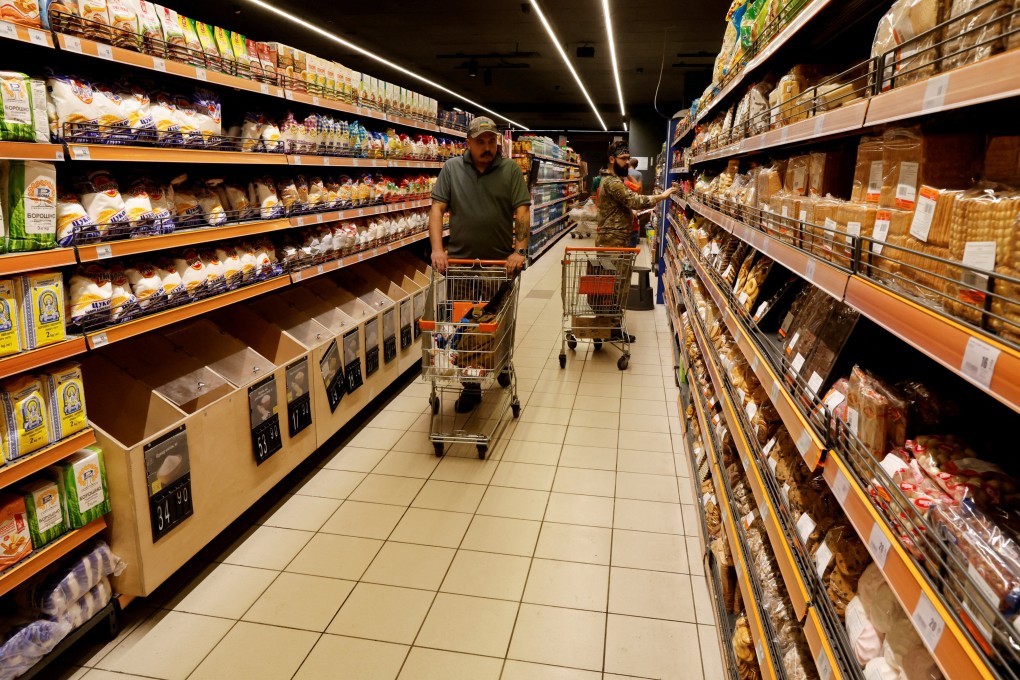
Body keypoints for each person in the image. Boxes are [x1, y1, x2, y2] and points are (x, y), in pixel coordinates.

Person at [429, 116, 532, 412]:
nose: (487, 147)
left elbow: (521, 211)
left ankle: (500, 362)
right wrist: (438, 249)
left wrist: (520, 251)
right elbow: (437, 209)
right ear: (468, 144)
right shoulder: (451, 169)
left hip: (499, 265)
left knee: (497, 323)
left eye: (491, 141)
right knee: (466, 326)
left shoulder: (510, 169)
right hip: (460, 265)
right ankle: (471, 386)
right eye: (480, 142)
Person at [596, 141, 673, 249]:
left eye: (628, 158)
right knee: (614, 266)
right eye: (623, 158)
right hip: (612, 240)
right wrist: (662, 196)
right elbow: (635, 201)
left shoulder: (613, 179)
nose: (627, 162)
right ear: (612, 159)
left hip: (616, 237)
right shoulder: (612, 182)